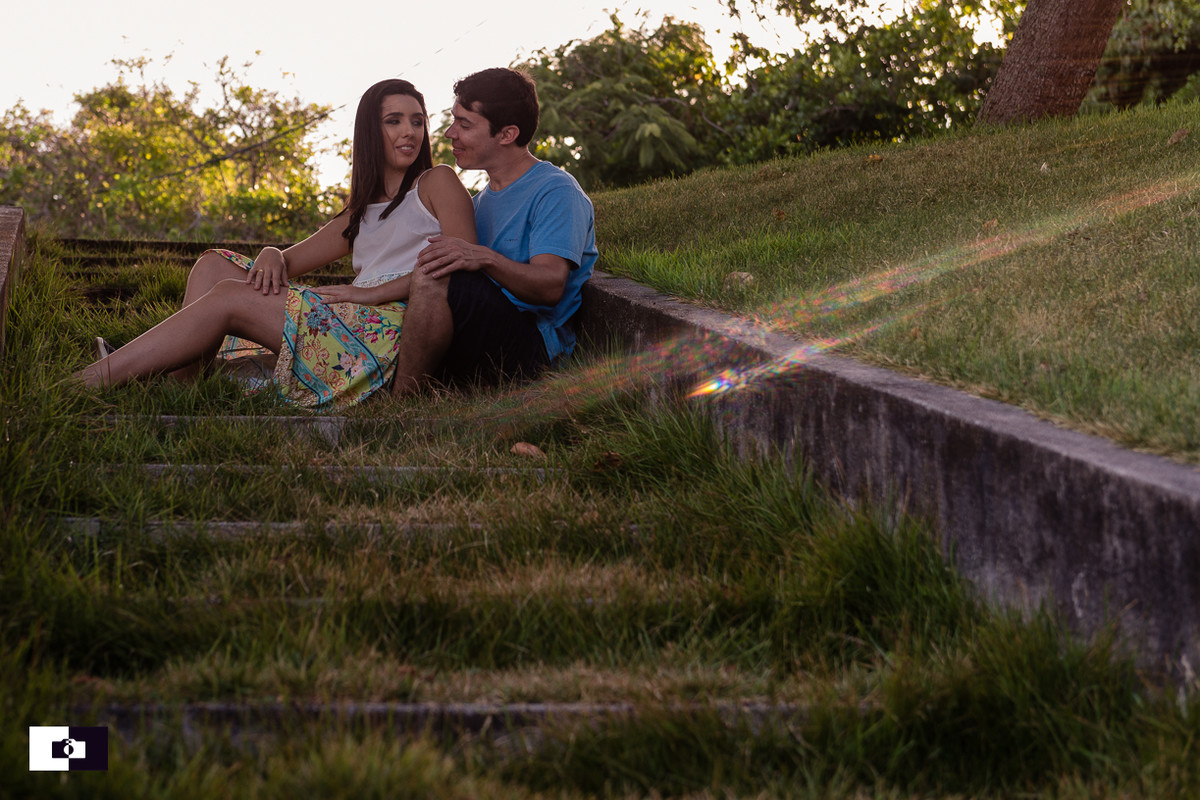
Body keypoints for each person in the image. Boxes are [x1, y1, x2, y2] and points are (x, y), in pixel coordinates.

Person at [75, 79, 475, 409]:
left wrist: (367, 293)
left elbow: (461, 265)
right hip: (345, 319)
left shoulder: (437, 182)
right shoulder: (361, 208)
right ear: (371, 131)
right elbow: (289, 261)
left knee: (230, 296)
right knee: (215, 265)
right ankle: (183, 385)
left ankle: (87, 383)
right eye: (394, 121)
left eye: (417, 122)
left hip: (384, 335)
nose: (409, 131)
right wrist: (271, 253)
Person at [391, 67, 598, 395]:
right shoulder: (477, 204)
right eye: (453, 120)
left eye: (465, 124)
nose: (450, 133)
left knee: (439, 273)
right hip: (477, 334)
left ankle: (399, 403)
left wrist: (484, 257)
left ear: (507, 134)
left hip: (532, 354)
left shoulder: (556, 191)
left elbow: (549, 286)